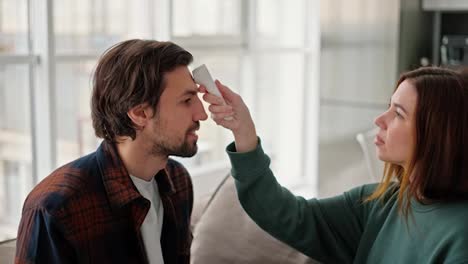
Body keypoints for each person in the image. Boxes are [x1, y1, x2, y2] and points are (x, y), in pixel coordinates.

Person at [200, 67, 468, 263]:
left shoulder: (459, 234)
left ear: (436, 133)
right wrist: (244, 132)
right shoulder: (380, 204)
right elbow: (287, 216)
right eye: (389, 107)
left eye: (398, 113)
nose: (380, 120)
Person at [15, 39, 208, 264]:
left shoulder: (178, 181)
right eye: (186, 100)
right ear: (140, 114)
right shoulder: (55, 208)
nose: (201, 114)